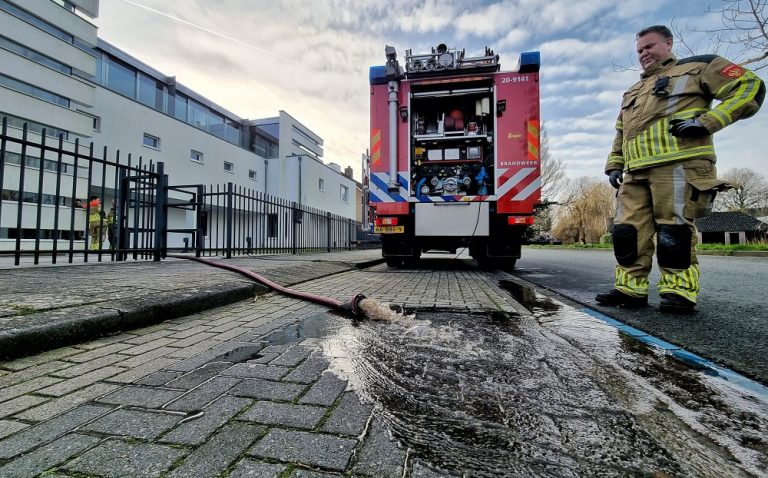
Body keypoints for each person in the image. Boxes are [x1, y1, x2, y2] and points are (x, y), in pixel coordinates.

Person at [596, 25, 765, 313]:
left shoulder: (699, 67)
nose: (643, 54)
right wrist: (614, 163)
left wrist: (709, 121)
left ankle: (678, 291)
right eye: (639, 50)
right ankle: (630, 289)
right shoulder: (634, 90)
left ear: (668, 43)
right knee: (627, 232)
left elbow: (750, 87)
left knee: (674, 231)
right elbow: (621, 131)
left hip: (679, 164)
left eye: (649, 46)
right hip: (636, 172)